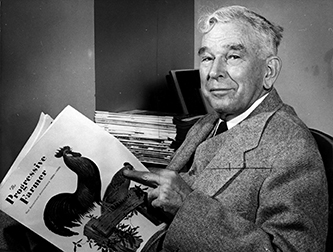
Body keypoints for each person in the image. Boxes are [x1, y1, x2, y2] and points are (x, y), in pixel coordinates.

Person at [124, 5, 328, 252]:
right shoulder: (207, 123)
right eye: (207, 58)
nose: (214, 73)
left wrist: (187, 206)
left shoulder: (291, 146)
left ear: (269, 72)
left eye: (233, 57)